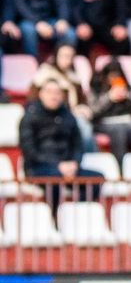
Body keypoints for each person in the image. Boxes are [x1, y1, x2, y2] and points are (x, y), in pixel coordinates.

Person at [19, 80, 104, 214]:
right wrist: (58, 165)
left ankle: (75, 214)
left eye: (57, 93)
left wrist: (74, 163)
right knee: (54, 180)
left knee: (97, 178)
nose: (54, 96)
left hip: (68, 167)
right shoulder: (30, 116)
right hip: (39, 168)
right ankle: (55, 218)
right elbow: (29, 150)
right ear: (41, 94)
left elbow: (78, 145)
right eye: (49, 92)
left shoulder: (68, 116)